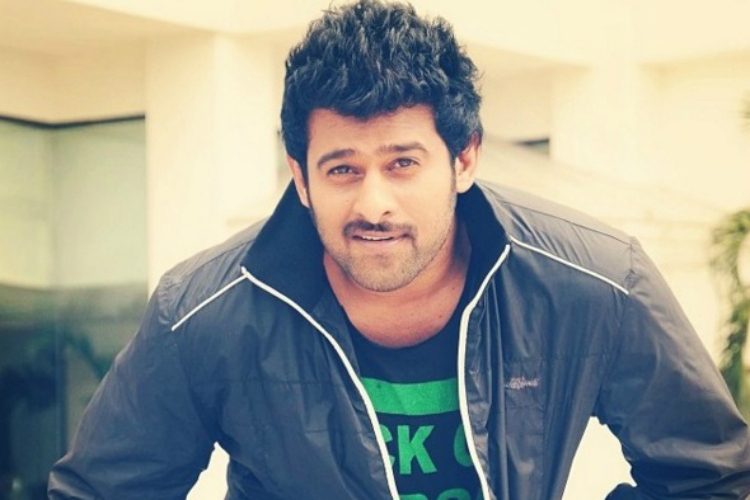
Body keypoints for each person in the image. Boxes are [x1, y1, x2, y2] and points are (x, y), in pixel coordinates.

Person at [49, 1, 750, 499]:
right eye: (342, 169)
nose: (373, 203)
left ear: (464, 159)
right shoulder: (203, 314)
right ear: (300, 176)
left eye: (403, 163)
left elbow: (713, 476)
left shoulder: (596, 282)